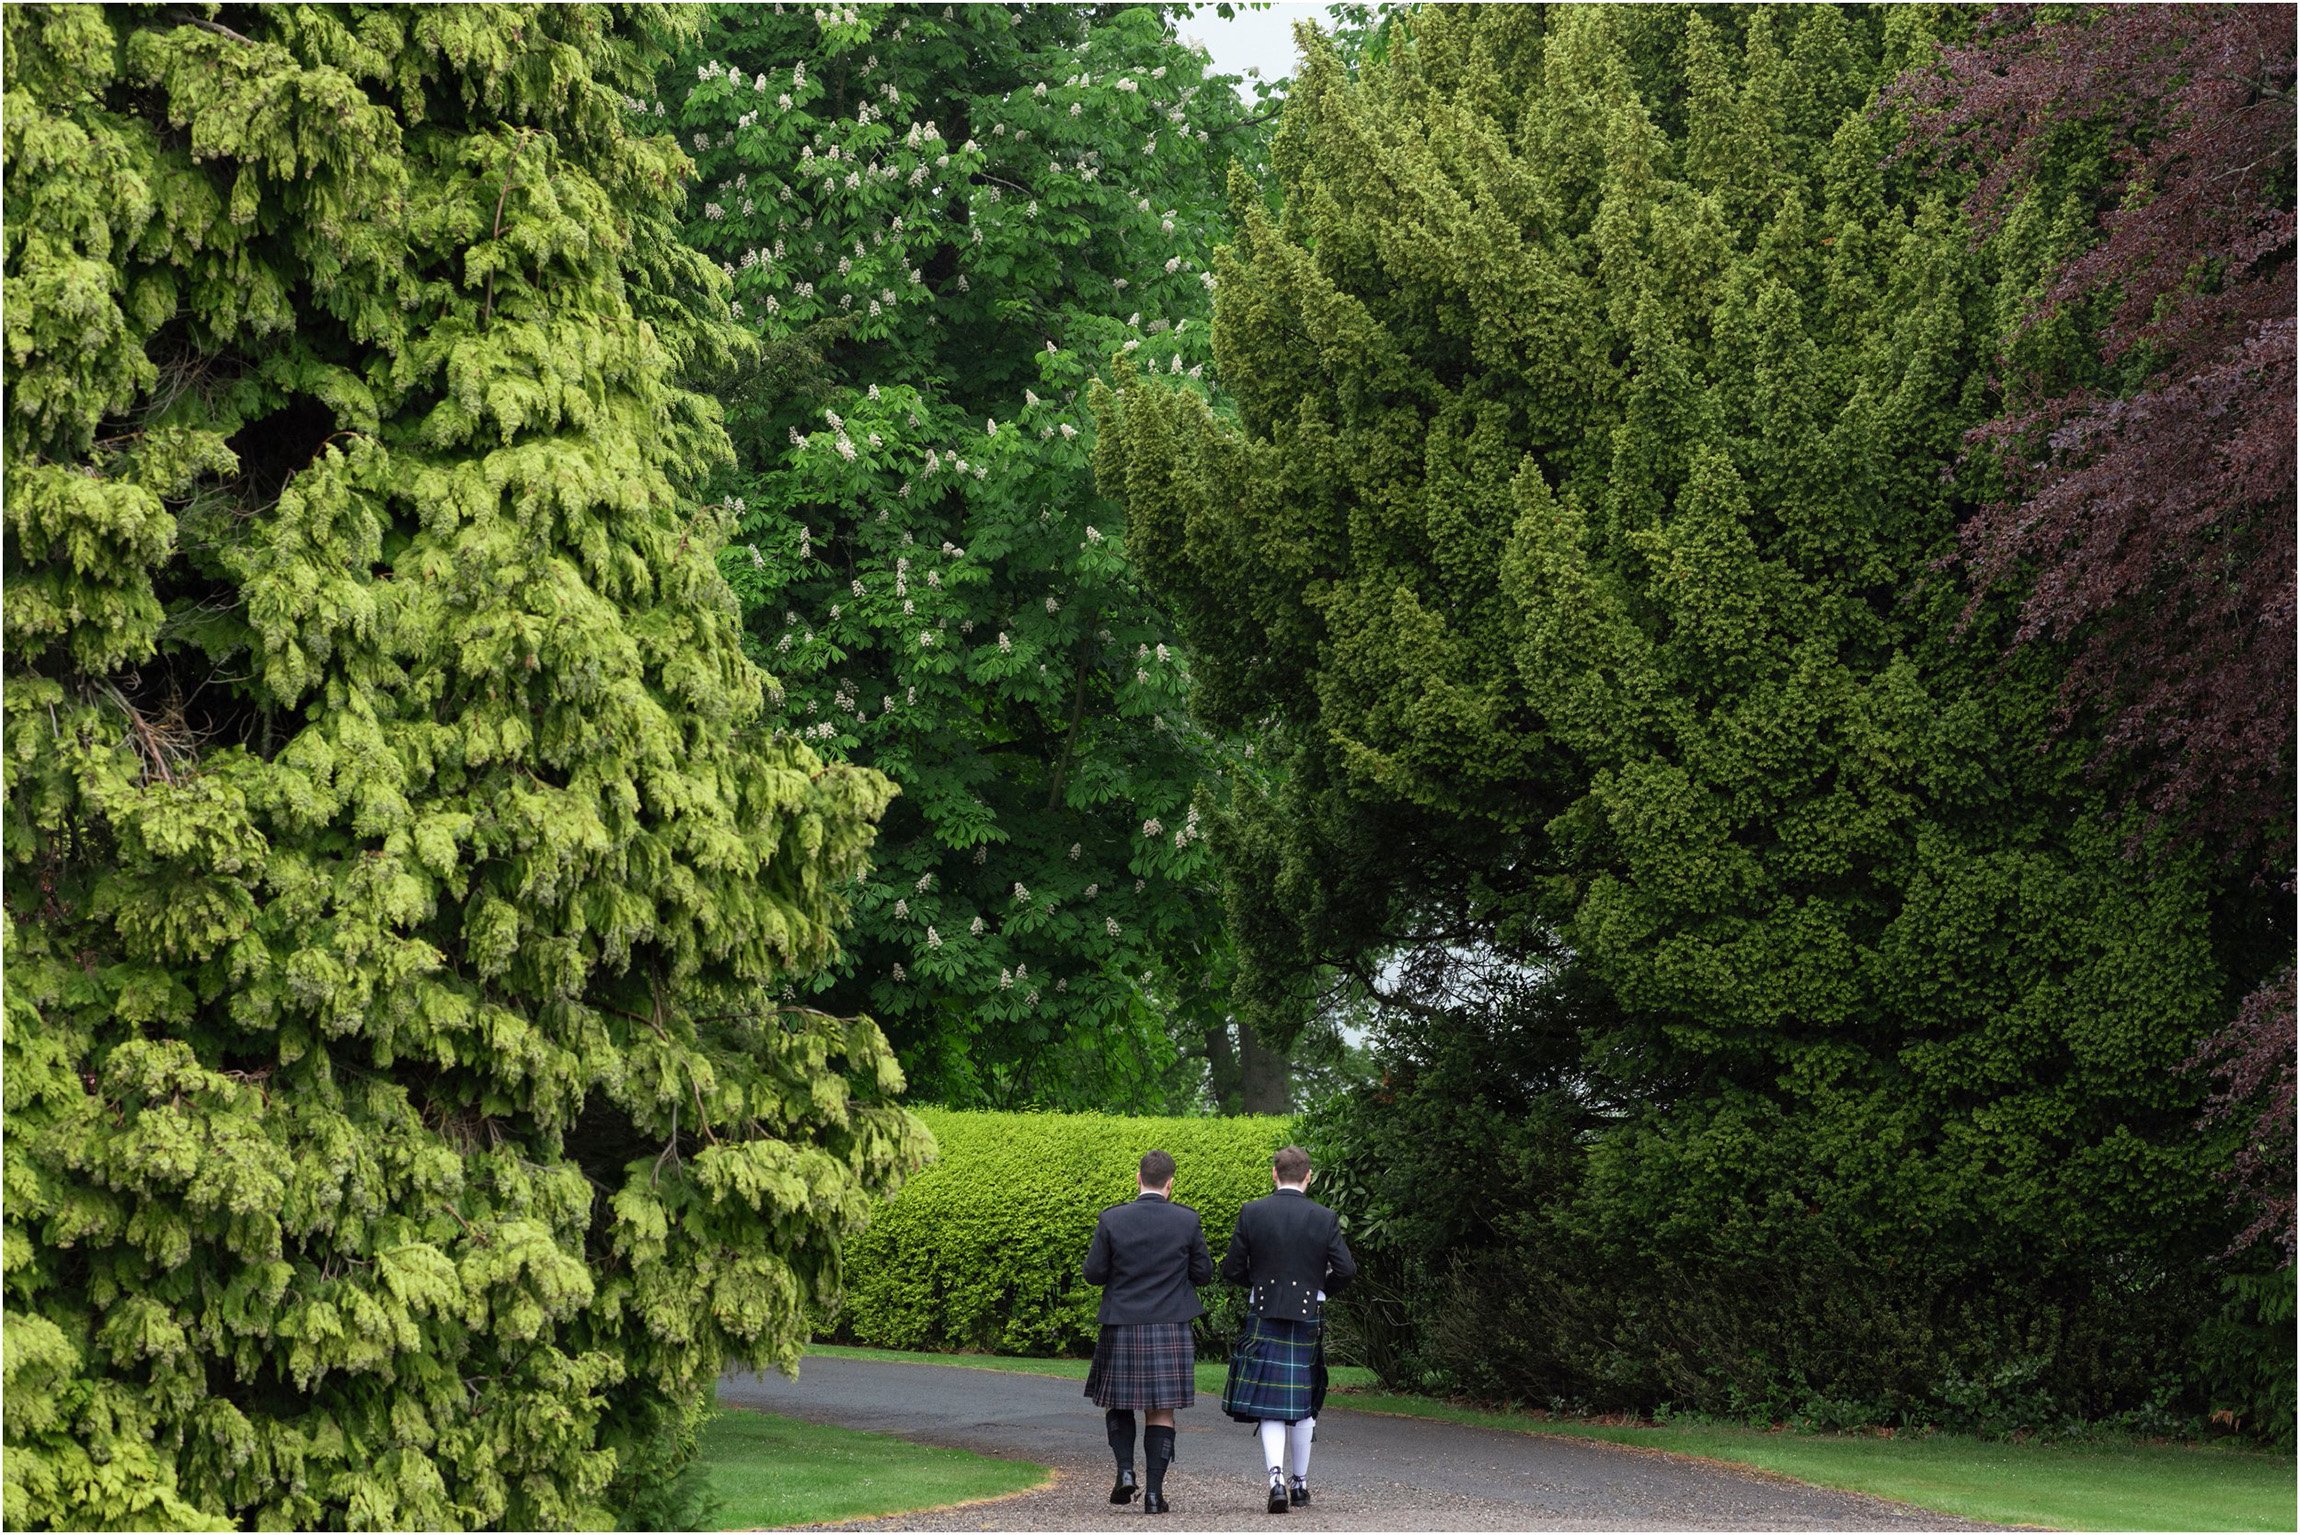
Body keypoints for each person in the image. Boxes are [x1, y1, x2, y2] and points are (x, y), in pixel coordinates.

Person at [1218, 1145, 1356, 1514]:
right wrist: (1319, 1292)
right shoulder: (1324, 1216)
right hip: (1307, 1316)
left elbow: (1231, 1268)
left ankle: (1275, 1480)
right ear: (1308, 1176)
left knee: (1271, 1406)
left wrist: (1260, 1285)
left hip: (1264, 1314)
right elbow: (1346, 1270)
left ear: (1274, 1174)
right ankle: (1301, 1484)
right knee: (1305, 1402)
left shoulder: (1253, 1212)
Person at [1082, 1148, 1215, 1515]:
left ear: (1138, 1178)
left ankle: (1125, 1472)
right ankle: (1154, 1495)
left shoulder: (1112, 1219)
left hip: (1122, 1323)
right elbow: (1204, 1273)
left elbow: (1093, 1274)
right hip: (1169, 1325)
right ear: (1170, 1184)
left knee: (1119, 1402)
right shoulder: (1187, 1221)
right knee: (1161, 1411)